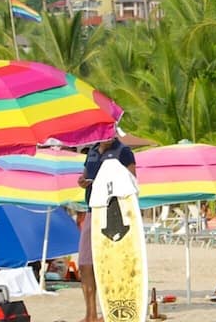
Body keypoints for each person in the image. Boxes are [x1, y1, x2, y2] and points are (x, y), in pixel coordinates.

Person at [76, 137, 136, 322]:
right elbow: (85, 175)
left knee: (111, 263)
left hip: (114, 212)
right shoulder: (92, 151)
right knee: (85, 264)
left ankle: (110, 311)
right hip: (92, 210)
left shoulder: (123, 151)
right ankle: (90, 314)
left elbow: (132, 181)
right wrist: (83, 181)